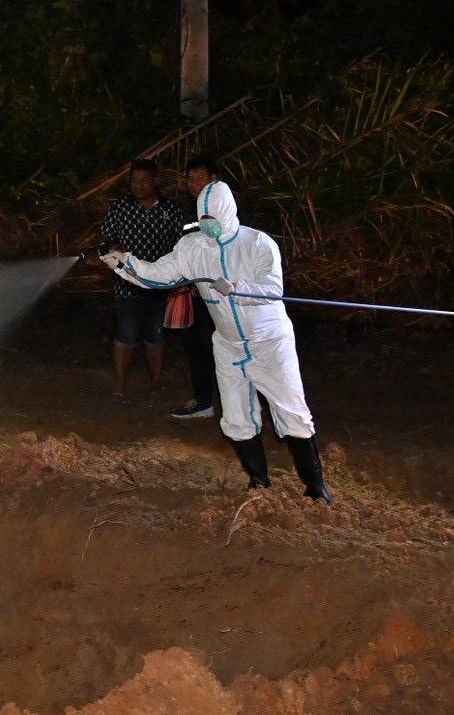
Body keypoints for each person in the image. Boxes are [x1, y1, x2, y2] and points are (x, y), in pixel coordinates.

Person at [98, 180, 333, 501]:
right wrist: (125, 264)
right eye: (203, 218)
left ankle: (316, 488)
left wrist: (237, 285)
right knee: (236, 415)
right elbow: (158, 275)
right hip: (228, 345)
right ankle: (259, 482)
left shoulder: (258, 244)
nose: (207, 225)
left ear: (228, 213)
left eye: (213, 219)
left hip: (269, 343)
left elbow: (272, 289)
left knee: (291, 411)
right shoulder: (192, 247)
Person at [99, 159, 186, 402]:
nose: (137, 185)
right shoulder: (120, 209)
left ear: (155, 181)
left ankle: (156, 385)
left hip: (161, 287)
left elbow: (181, 247)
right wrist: (112, 250)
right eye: (134, 180)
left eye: (143, 180)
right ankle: (119, 388)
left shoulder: (172, 211)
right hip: (127, 285)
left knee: (156, 337)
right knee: (125, 335)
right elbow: (106, 238)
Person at [169, 156, 220, 421]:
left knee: (224, 348)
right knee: (196, 346)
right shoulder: (190, 211)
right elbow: (183, 243)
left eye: (200, 178)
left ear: (214, 180)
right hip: (194, 294)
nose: (194, 184)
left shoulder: (229, 210)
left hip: (224, 297)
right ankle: (203, 401)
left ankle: (243, 403)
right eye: (190, 179)